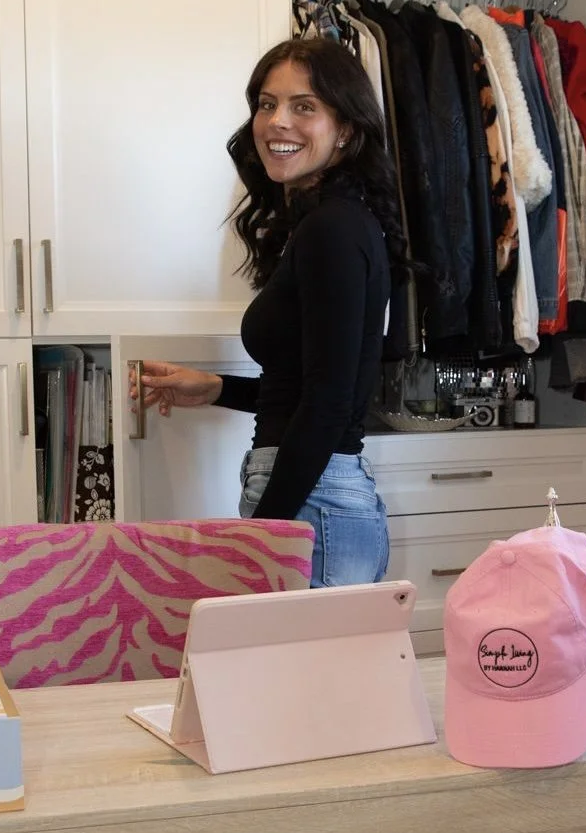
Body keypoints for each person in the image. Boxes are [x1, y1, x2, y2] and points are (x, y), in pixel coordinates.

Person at [131, 36, 404, 587]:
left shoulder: (333, 228)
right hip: (316, 495)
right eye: (266, 103)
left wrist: (263, 535)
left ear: (345, 129)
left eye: (304, 106)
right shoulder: (327, 224)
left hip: (312, 500)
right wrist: (215, 387)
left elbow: (329, 404)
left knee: (311, 675)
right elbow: (315, 386)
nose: (278, 121)